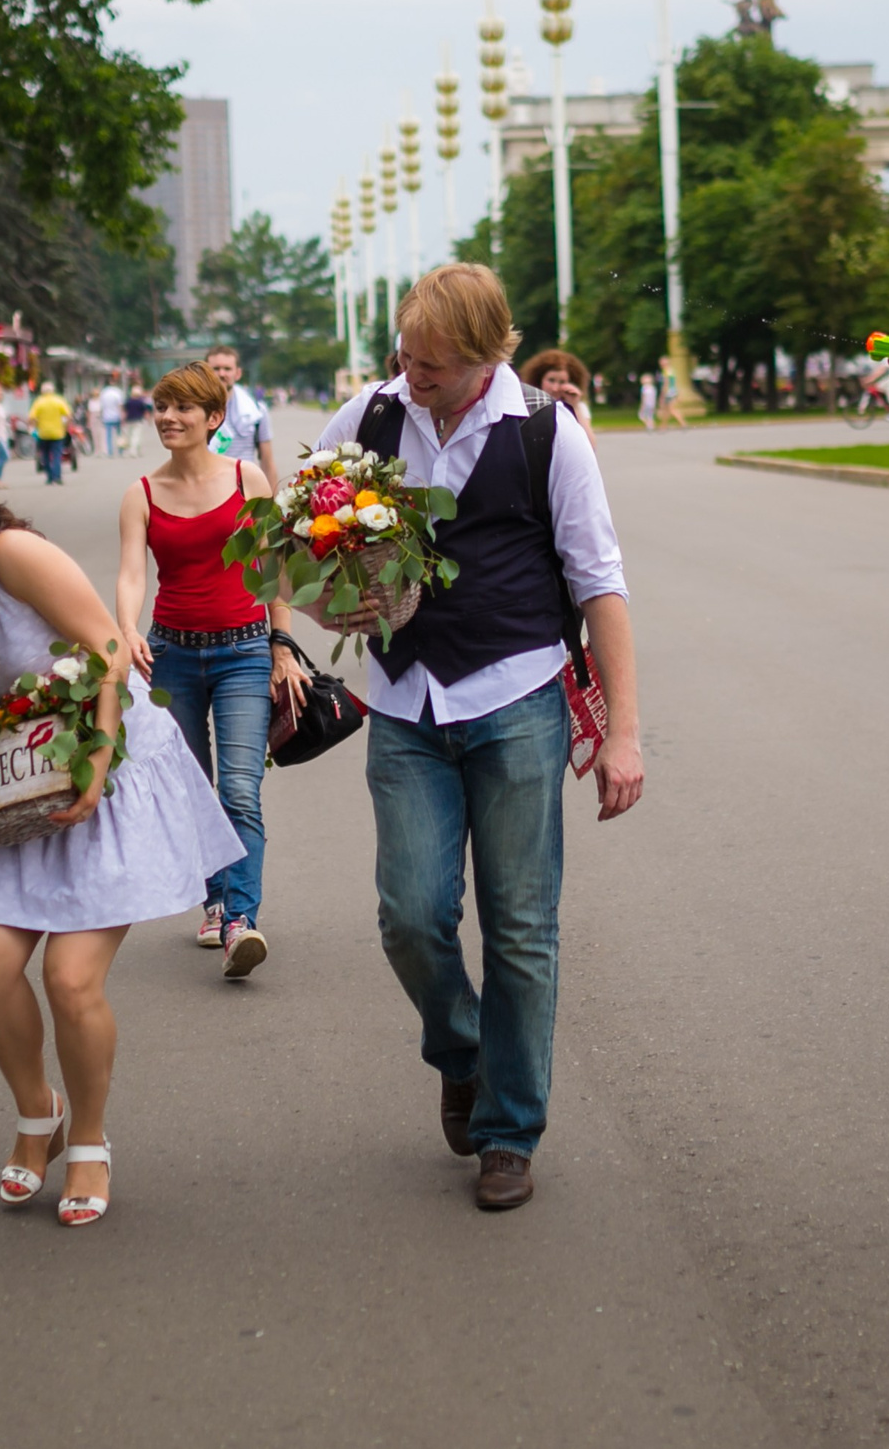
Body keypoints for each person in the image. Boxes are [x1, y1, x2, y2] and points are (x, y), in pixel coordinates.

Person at [317, 262, 645, 1212]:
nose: (408, 376)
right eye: (404, 357)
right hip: (407, 700)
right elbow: (303, 532)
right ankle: (461, 1050)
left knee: (520, 927)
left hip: (517, 700)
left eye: (430, 365)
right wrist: (334, 599)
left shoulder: (549, 436)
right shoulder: (372, 417)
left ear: (485, 355)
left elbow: (601, 584)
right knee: (410, 916)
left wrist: (624, 734)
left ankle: (508, 1131)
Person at [0, 459, 243, 1224]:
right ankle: (40, 1112)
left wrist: (93, 769)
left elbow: (107, 648)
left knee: (70, 978)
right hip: (26, 781)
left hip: (108, 764)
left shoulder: (15, 555)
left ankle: (90, 1141)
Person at [115, 363, 312, 978]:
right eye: (161, 407)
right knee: (194, 792)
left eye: (182, 408)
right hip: (171, 654)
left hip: (245, 652)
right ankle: (214, 898)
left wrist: (282, 644)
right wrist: (126, 630)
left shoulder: (246, 478)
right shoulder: (141, 493)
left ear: (213, 418)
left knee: (239, 789)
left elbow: (273, 569)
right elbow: (130, 574)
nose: (168, 418)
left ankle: (238, 921)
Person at [204, 345, 282, 486]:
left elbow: (267, 462)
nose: (221, 374)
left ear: (238, 373)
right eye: (216, 369)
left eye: (227, 369)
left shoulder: (257, 411)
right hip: (207, 489)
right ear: (205, 373)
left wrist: (272, 505)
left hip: (245, 492)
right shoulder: (193, 411)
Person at [518, 348, 597, 448]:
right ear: (539, 380)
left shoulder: (579, 407)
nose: (555, 388)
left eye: (562, 382)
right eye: (551, 380)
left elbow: (591, 446)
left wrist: (575, 407)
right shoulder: (527, 405)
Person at [27, 381, 71, 485]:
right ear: (53, 391)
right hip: (57, 433)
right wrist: (65, 427)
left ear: (42, 391)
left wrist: (34, 426)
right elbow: (68, 416)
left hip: (43, 433)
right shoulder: (59, 401)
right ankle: (57, 477)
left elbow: (31, 418)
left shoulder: (39, 402)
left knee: (45, 455)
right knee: (56, 455)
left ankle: (49, 477)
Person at [98, 376, 126, 458]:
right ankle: (120, 450)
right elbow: (120, 405)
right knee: (119, 434)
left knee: (108, 435)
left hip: (106, 416)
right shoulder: (118, 392)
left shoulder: (104, 393)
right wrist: (122, 416)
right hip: (117, 416)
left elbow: (101, 406)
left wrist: (101, 416)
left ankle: (110, 452)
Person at [122, 384, 150, 457]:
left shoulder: (128, 401)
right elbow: (145, 411)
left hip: (129, 420)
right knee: (136, 436)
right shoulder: (141, 402)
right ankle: (134, 451)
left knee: (130, 436)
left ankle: (132, 450)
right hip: (138, 420)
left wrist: (123, 420)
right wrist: (148, 419)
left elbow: (124, 411)